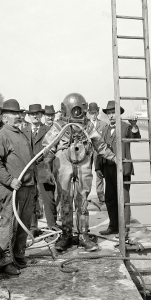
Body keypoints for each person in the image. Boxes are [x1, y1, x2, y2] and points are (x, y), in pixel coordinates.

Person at [42, 93, 117, 252]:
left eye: (80, 110)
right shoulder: (59, 125)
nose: (77, 114)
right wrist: (48, 170)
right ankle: (66, 234)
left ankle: (83, 234)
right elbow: (47, 149)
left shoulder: (88, 126)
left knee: (82, 200)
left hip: (83, 166)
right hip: (64, 166)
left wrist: (115, 159)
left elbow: (100, 145)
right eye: (75, 110)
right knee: (65, 200)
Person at [0, 99, 37, 276]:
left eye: (19, 114)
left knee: (23, 222)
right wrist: (9, 180)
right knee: (9, 225)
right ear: (5, 117)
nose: (18, 117)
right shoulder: (1, 136)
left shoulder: (21, 134)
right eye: (14, 114)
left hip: (28, 187)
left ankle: (18, 255)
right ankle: (4, 260)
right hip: (12, 190)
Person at [96, 101, 140, 235]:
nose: (111, 116)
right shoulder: (105, 130)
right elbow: (98, 148)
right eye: (109, 113)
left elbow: (135, 137)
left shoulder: (126, 127)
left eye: (113, 113)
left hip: (122, 169)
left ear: (119, 113)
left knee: (124, 199)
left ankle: (125, 228)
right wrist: (98, 167)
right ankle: (113, 226)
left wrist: (134, 126)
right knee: (110, 198)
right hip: (108, 169)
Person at [22, 104, 58, 229]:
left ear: (41, 115)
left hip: (45, 169)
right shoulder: (23, 131)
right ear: (28, 116)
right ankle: (32, 227)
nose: (35, 116)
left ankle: (52, 225)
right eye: (32, 114)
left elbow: (54, 150)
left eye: (37, 114)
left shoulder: (49, 130)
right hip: (29, 171)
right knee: (31, 198)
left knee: (48, 199)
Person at [88, 102, 107, 205]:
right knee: (86, 173)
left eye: (95, 113)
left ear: (98, 113)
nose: (93, 115)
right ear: (88, 113)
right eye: (91, 113)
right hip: (87, 153)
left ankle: (100, 194)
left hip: (98, 152)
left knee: (99, 173)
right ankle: (85, 194)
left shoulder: (103, 125)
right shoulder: (84, 125)